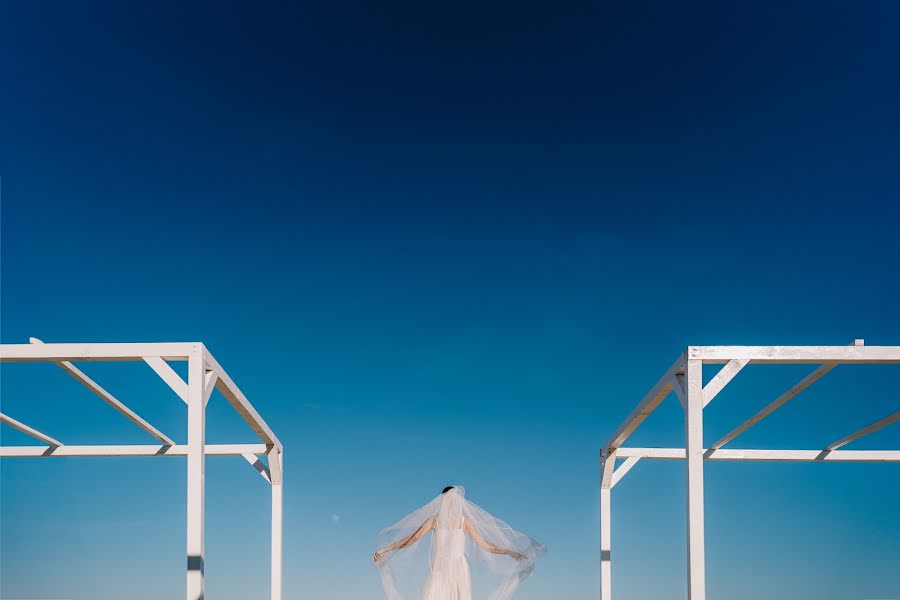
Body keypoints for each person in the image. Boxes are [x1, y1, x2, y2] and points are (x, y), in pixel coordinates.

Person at [373, 486, 543, 600]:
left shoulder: (461, 522)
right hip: (442, 571)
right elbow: (412, 538)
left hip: (455, 571)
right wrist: (387, 549)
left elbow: (486, 545)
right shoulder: (437, 521)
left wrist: (512, 553)